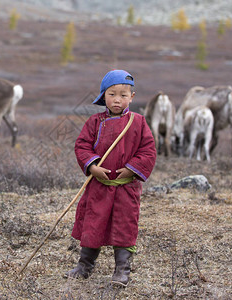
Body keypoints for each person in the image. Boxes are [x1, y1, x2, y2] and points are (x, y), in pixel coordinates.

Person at [65, 69, 156, 287]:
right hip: (99, 186)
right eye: (112, 94)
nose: (117, 100)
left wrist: (133, 169)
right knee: (93, 224)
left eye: (123, 95)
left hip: (126, 188)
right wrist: (93, 166)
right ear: (103, 95)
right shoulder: (94, 122)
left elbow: (148, 151)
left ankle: (122, 271)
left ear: (131, 98)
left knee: (125, 225)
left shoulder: (138, 122)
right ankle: (85, 266)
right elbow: (82, 146)